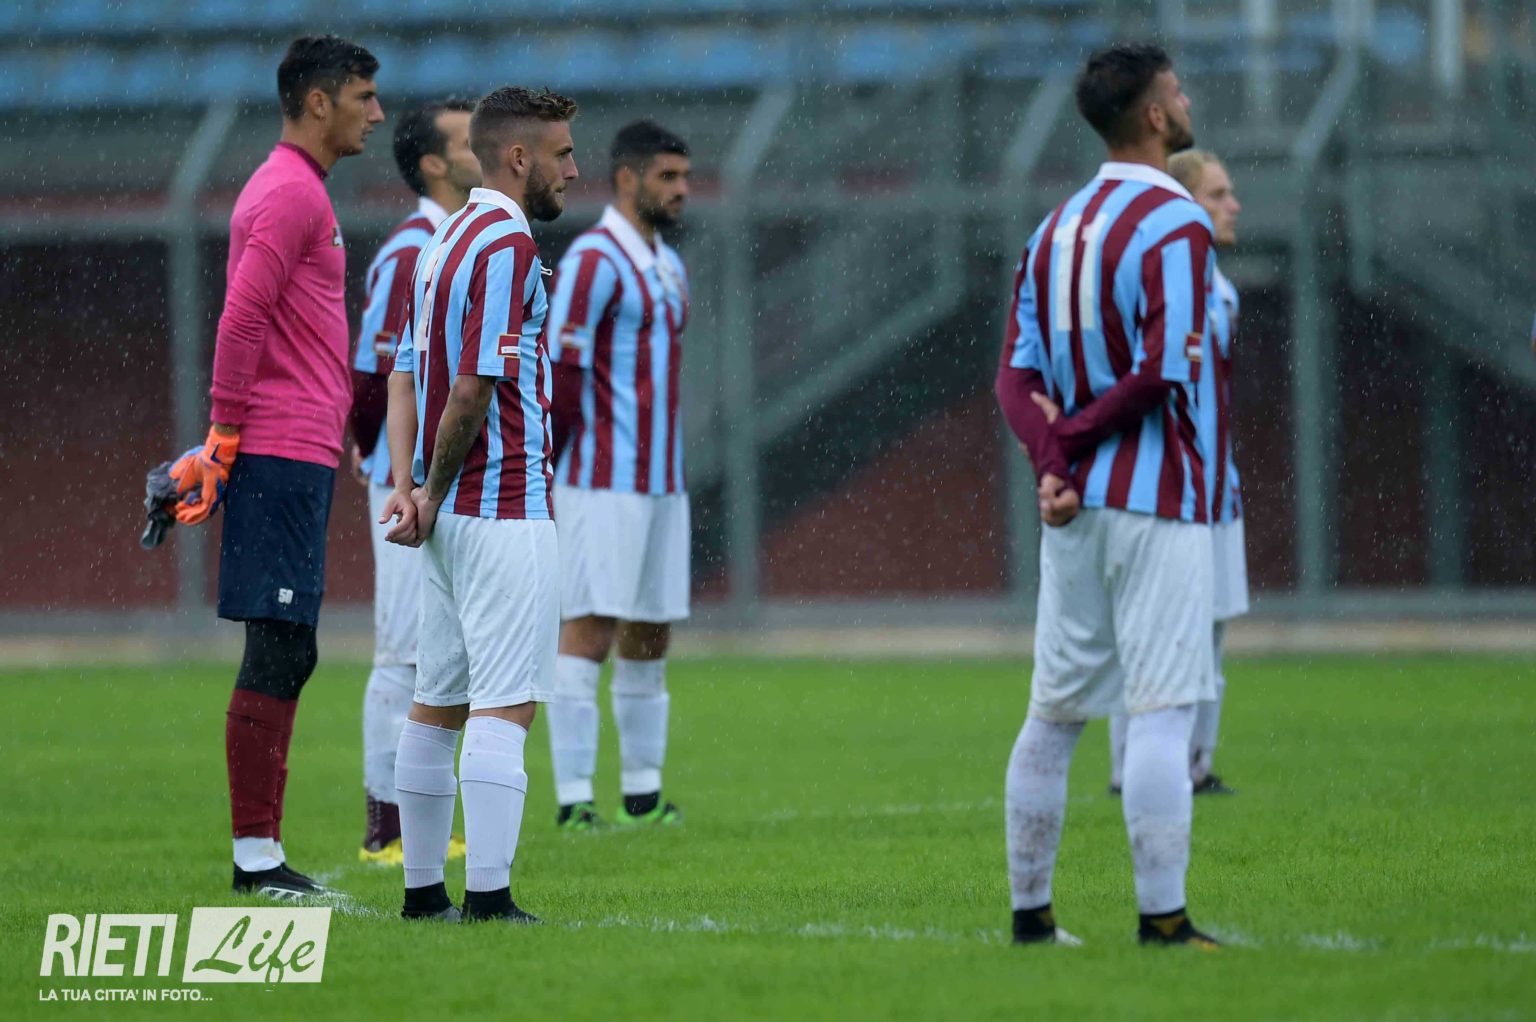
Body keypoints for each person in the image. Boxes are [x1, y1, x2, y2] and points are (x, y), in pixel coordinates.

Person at [994, 42, 1219, 948]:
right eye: (1179, 91)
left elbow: (1015, 377)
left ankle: (1032, 919)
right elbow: (1163, 371)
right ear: (1156, 116)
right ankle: (1164, 920)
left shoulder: (1053, 228)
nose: (1188, 100)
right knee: (1161, 711)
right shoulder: (1177, 223)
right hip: (1156, 497)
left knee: (1054, 716)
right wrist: (1080, 443)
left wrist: (1053, 459)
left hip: (1073, 508)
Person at [169, 35, 382, 899]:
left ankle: (262, 853)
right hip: (277, 449)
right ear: (319, 102)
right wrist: (223, 436)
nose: (376, 113)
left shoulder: (299, 190)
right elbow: (241, 317)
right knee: (281, 645)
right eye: (363, 96)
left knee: (292, 647)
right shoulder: (290, 194)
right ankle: (255, 859)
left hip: (299, 450)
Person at [379, 86, 579, 923]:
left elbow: (404, 372)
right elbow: (470, 388)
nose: (574, 170)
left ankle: (422, 892)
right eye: (563, 154)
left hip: (450, 518)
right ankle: (489, 898)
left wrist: (412, 488)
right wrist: (426, 487)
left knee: (437, 706)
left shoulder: (444, 238)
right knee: (506, 705)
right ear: (519, 158)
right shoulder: (507, 244)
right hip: (503, 506)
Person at [542, 120, 693, 830]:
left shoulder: (669, 264)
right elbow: (562, 371)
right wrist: (551, 463)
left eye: (684, 177)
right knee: (590, 629)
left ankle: (642, 795)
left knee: (651, 631)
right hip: (599, 479)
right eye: (668, 177)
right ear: (628, 178)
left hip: (663, 481)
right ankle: (574, 799)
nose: (682, 190)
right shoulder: (593, 260)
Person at [350, 99, 480, 865]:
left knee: (443, 653)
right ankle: (386, 826)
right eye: (467, 141)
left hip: (450, 477)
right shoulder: (412, 248)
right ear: (433, 164)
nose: (483, 149)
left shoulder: (467, 238)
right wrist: (388, 467)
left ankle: (426, 820)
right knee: (403, 652)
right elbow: (373, 371)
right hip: (410, 482)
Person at [1108, 150, 1245, 797]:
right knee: (1149, 633)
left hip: (1217, 488)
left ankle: (1196, 763)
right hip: (1164, 487)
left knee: (1211, 631)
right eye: (1217, 194)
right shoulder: (1159, 284)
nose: (1232, 205)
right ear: (1186, 204)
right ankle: (1127, 767)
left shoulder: (1223, 292)